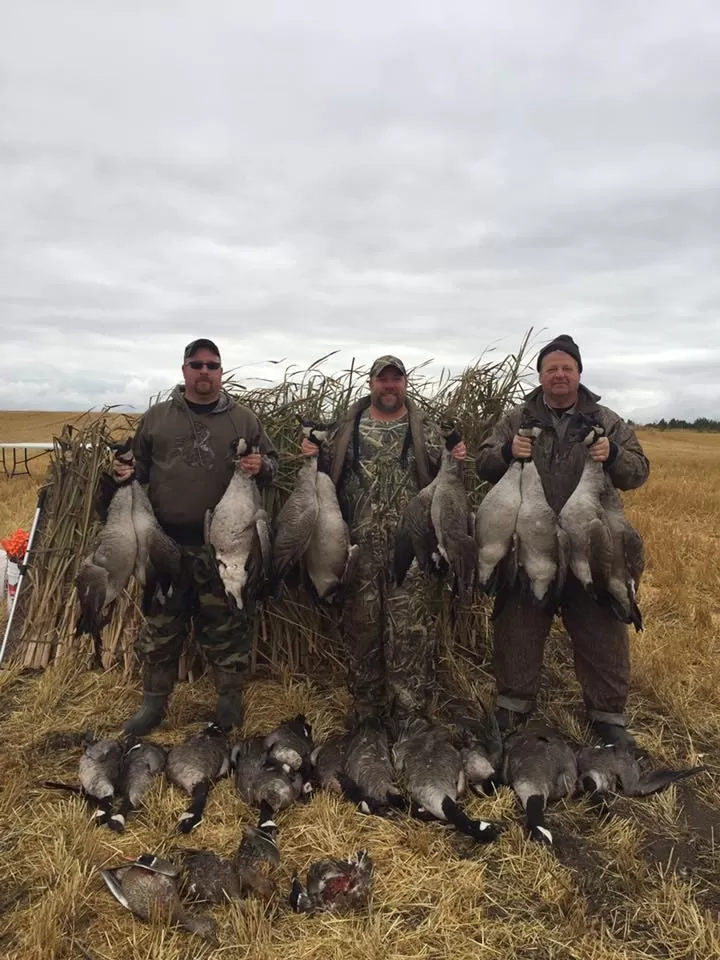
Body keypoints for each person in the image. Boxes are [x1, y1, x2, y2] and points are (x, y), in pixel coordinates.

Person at [476, 334, 649, 747]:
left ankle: (607, 714)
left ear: (578, 373)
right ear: (539, 375)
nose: (559, 375)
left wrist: (615, 456)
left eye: (566, 368)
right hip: (528, 539)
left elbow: (639, 472)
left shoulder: (606, 420)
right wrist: (505, 451)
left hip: (585, 539)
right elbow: (482, 463)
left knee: (600, 626)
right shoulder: (515, 418)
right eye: (551, 368)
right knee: (517, 621)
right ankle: (513, 705)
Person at [113, 338, 278, 735]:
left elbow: (273, 465)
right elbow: (139, 470)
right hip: (165, 541)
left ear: (221, 371)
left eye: (212, 365)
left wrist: (262, 465)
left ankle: (228, 702)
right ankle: (153, 706)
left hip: (223, 548)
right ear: (184, 369)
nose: (204, 371)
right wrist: (122, 473)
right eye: (197, 364)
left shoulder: (244, 420)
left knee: (227, 625)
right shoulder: (156, 418)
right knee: (160, 627)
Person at [301, 355, 466, 724]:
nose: (389, 385)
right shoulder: (346, 430)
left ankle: (409, 716)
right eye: (382, 379)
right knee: (361, 632)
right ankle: (367, 714)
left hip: (411, 555)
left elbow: (452, 487)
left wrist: (459, 460)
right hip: (358, 553)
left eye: (396, 379)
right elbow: (323, 479)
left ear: (405, 383)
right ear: (371, 383)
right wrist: (310, 454)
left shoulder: (427, 432)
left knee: (411, 635)